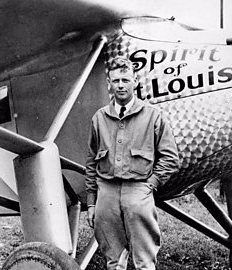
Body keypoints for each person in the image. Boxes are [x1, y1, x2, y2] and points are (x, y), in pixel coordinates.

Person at [85, 56, 180, 270]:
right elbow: (91, 162)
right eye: (116, 80)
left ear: (135, 81)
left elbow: (170, 157)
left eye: (125, 80)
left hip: (139, 190)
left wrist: (150, 184)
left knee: (145, 261)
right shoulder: (99, 118)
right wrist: (92, 202)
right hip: (106, 193)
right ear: (109, 83)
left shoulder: (153, 116)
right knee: (113, 260)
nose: (120, 85)